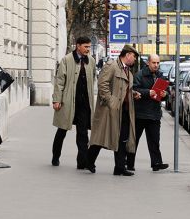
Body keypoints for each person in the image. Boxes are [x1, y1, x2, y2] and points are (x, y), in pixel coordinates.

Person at [86, 45, 141, 176]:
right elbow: (102, 84)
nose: (134, 60)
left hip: (124, 110)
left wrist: (132, 94)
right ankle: (88, 160)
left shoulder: (127, 70)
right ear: (127, 55)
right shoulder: (112, 66)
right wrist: (112, 102)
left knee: (122, 139)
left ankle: (119, 168)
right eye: (134, 57)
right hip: (110, 110)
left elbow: (123, 88)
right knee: (100, 138)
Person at [51, 36, 95, 168]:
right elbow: (59, 81)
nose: (88, 49)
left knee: (83, 133)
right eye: (86, 47)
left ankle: (82, 162)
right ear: (78, 46)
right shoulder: (67, 60)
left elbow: (92, 80)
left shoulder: (91, 61)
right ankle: (55, 156)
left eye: (89, 47)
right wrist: (57, 99)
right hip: (68, 101)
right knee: (62, 131)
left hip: (84, 103)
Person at [126, 54, 169, 172]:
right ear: (148, 63)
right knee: (134, 140)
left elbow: (165, 92)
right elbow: (134, 90)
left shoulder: (160, 75)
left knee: (154, 141)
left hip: (154, 114)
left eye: (158, 63)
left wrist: (165, 95)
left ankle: (156, 163)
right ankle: (129, 163)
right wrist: (147, 92)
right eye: (154, 63)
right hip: (140, 113)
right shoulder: (140, 75)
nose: (156, 65)